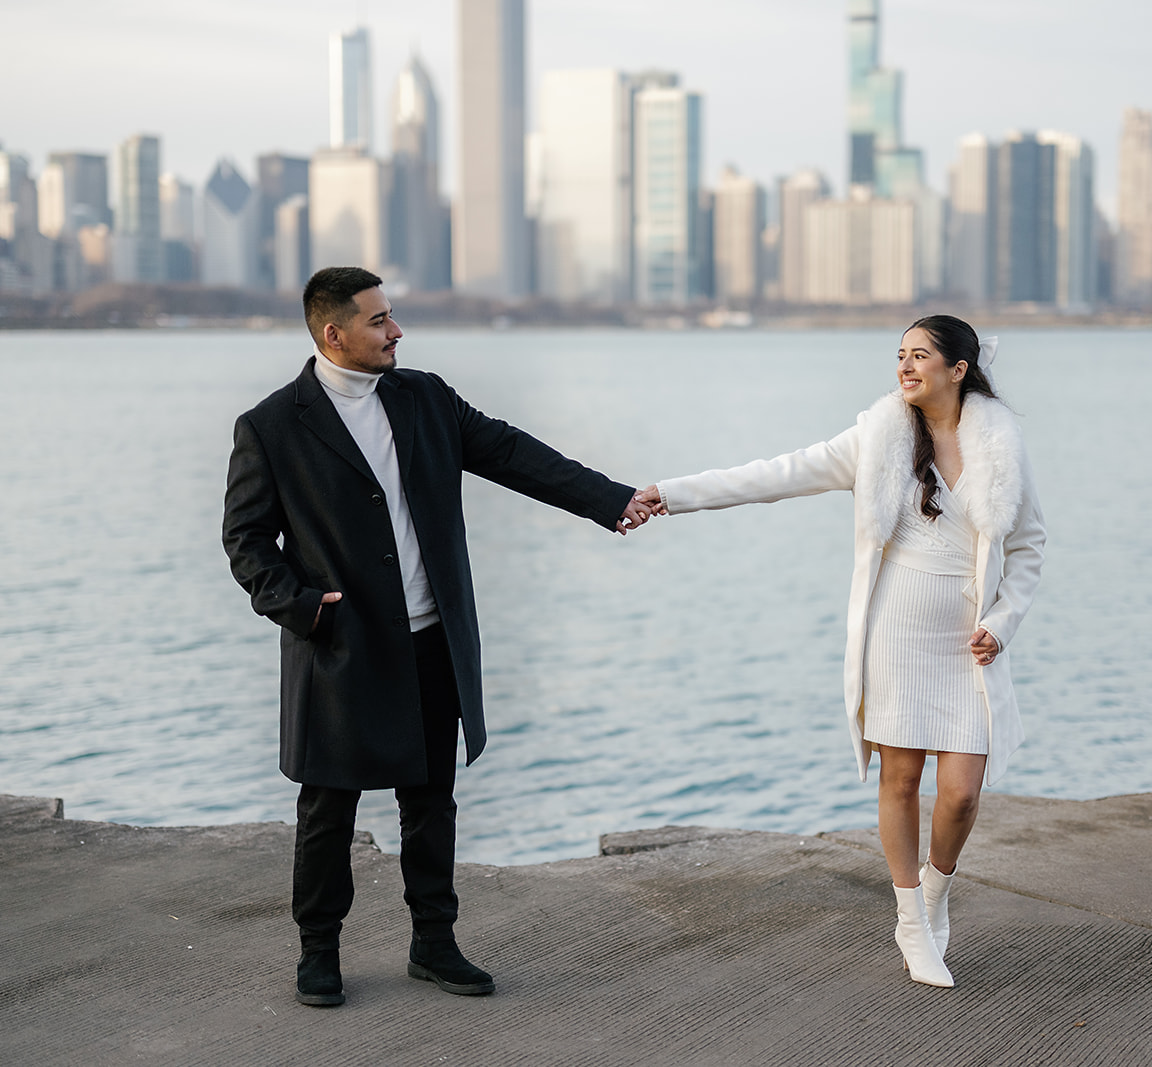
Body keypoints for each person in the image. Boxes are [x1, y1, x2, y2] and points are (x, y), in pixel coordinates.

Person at [223, 266, 653, 1007]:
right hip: (340, 647)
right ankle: (317, 953)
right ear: (334, 334)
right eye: (379, 320)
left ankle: (434, 942)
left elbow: (513, 454)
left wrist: (609, 499)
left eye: (393, 317)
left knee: (431, 801)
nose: (396, 331)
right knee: (328, 809)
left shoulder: (425, 397)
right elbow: (246, 540)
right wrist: (304, 607)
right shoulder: (270, 425)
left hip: (431, 641)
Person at [637, 315, 1043, 987]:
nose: (904, 367)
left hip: (967, 647)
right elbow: (778, 473)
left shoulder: (1002, 444)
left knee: (964, 792)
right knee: (902, 779)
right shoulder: (878, 437)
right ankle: (910, 918)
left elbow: (1029, 546)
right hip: (895, 635)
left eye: (919, 356)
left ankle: (934, 901)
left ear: (959, 368)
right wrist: (671, 494)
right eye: (900, 355)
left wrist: (1002, 622)